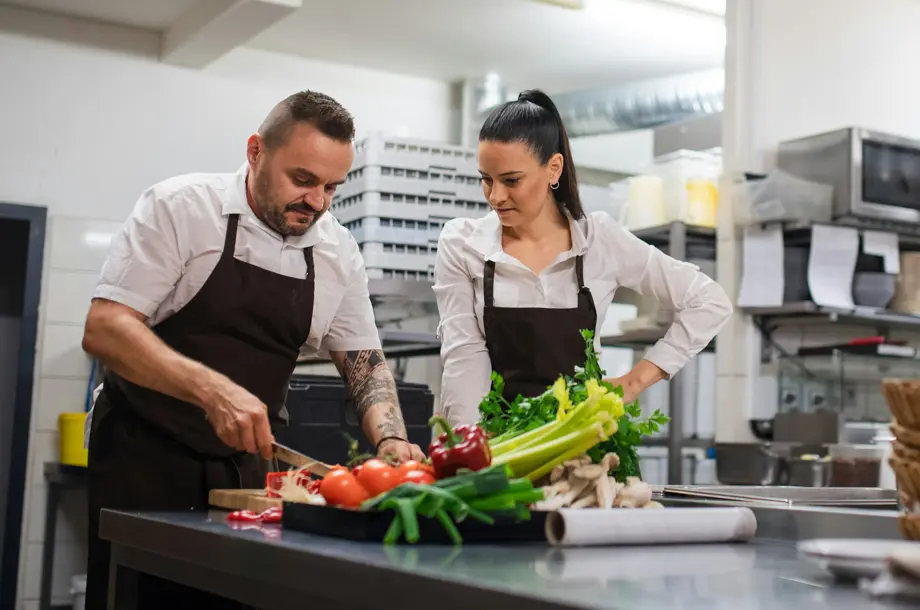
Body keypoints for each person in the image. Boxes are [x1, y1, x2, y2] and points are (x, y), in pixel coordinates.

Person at [81, 90, 425, 610]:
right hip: (142, 457)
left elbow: (363, 361)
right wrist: (212, 390)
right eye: (303, 180)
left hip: (246, 471)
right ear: (255, 152)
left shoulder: (337, 252)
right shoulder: (182, 207)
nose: (317, 201)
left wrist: (392, 437)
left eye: (332, 187)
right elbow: (105, 328)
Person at [433, 89, 733, 426]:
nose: (496, 196)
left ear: (553, 168)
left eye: (511, 180)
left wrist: (636, 382)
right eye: (486, 180)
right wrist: (469, 448)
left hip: (582, 446)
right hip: (500, 444)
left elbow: (709, 301)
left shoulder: (599, 240)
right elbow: (464, 357)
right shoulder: (462, 243)